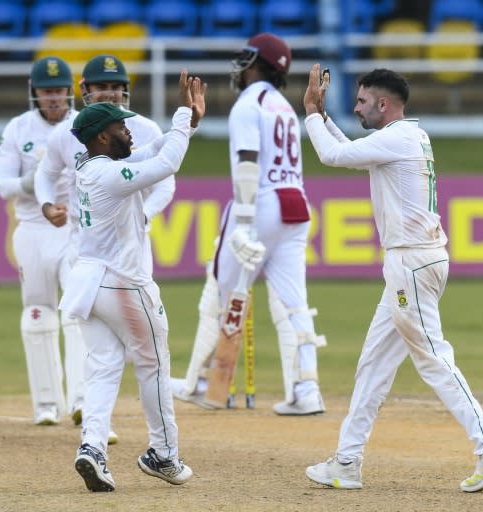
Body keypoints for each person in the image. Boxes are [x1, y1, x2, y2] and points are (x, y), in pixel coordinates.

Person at [301, 64, 483, 492]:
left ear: (383, 104)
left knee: (433, 358)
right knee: (373, 366)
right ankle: (346, 461)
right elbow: (350, 151)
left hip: (411, 264)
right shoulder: (407, 135)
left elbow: (333, 156)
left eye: (362, 101)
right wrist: (325, 118)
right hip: (415, 262)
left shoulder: (398, 139)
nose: (356, 107)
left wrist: (311, 111)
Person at [63, 70, 207, 492]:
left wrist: (189, 125)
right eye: (121, 126)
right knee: (154, 363)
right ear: (104, 138)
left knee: (104, 367)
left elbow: (154, 151)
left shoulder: (92, 164)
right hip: (122, 282)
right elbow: (167, 163)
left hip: (86, 282)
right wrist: (182, 115)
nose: (130, 130)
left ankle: (92, 448)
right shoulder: (109, 175)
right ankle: (164, 454)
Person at [170, 32, 327, 416]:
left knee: (220, 292)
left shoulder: (249, 102)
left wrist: (242, 221)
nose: (241, 65)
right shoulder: (285, 108)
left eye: (247, 59)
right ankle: (305, 390)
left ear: (260, 65)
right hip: (296, 205)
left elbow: (246, 161)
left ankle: (203, 382)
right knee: (294, 304)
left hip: (260, 203)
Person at [36, 54, 174, 444]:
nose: (111, 92)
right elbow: (45, 177)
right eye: (102, 87)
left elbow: (166, 182)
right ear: (85, 91)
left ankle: (94, 439)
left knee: (118, 350)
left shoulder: (141, 128)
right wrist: (47, 206)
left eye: (116, 87)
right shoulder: (66, 134)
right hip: (87, 247)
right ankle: (160, 448)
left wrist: (144, 215)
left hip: (132, 246)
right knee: (139, 354)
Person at [0, 56, 78, 426]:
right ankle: (46, 403)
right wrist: (35, 182)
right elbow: (3, 186)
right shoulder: (18, 129)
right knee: (37, 310)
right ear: (35, 93)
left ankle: (82, 399)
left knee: (77, 310)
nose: (54, 98)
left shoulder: (82, 125)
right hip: (31, 228)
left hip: (74, 229)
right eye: (47, 91)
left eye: (59, 91)